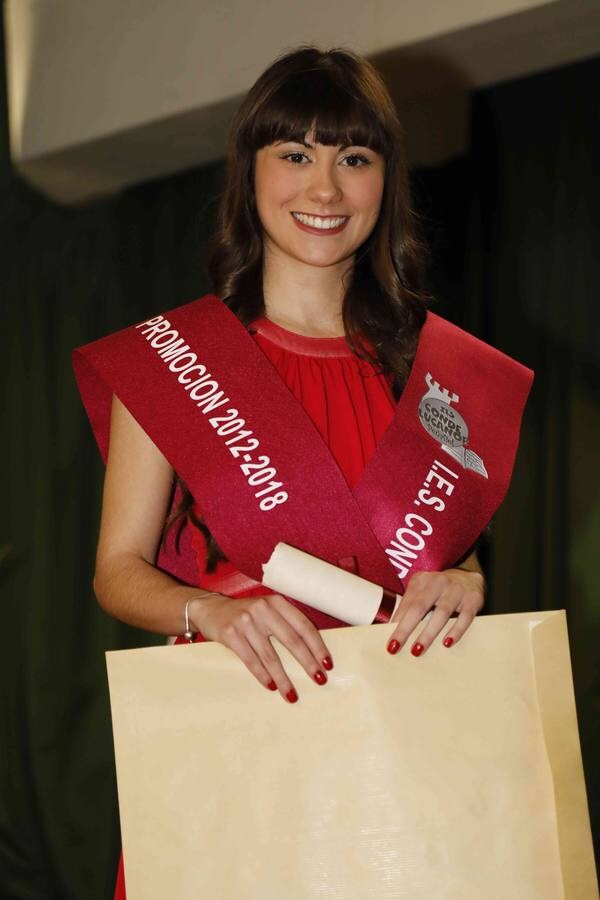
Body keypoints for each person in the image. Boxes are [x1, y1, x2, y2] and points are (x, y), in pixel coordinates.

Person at [75, 45, 531, 899]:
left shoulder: (429, 380)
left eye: (353, 158)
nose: (324, 189)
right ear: (248, 177)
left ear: (384, 184)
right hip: (236, 751)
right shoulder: (175, 367)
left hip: (396, 761)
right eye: (295, 154)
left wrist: (465, 578)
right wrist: (207, 609)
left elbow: (443, 555)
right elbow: (116, 570)